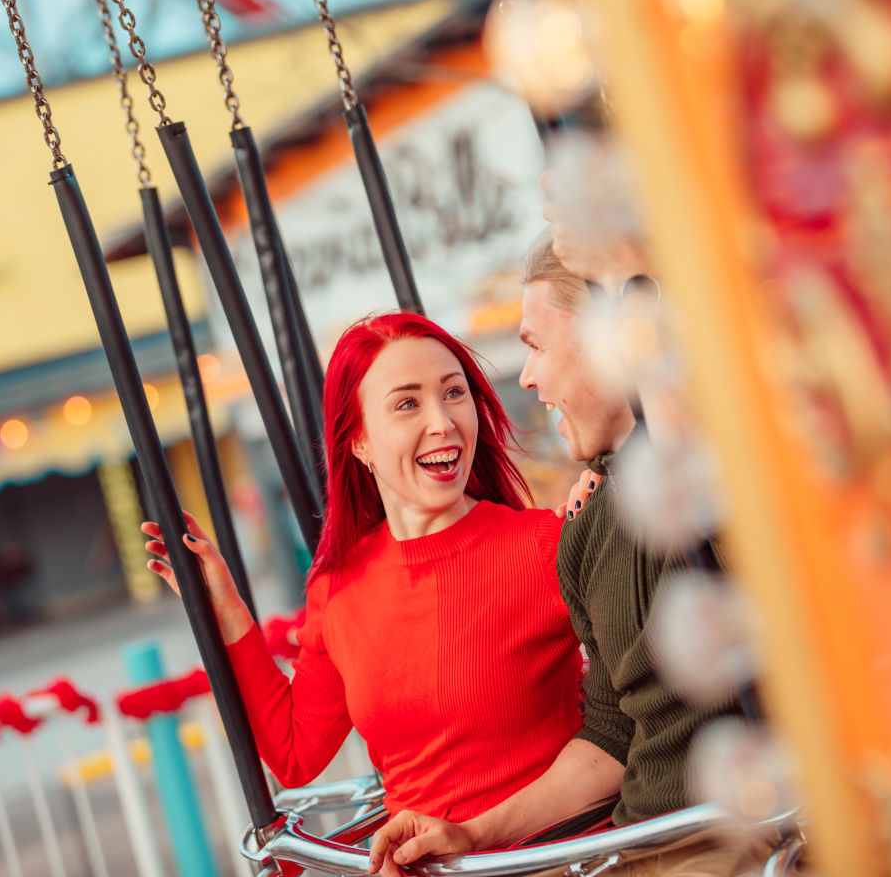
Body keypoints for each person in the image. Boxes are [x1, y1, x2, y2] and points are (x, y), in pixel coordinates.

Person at [367, 239, 753, 877]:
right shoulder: (589, 525)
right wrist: (470, 832)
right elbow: (610, 735)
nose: (526, 377)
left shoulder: (708, 469)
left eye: (536, 345)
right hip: (640, 841)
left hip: (724, 837)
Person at [142, 311, 584, 823]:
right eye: (407, 404)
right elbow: (293, 754)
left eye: (454, 393)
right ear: (358, 442)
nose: (442, 422)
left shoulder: (547, 545)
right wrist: (228, 612)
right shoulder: (339, 587)